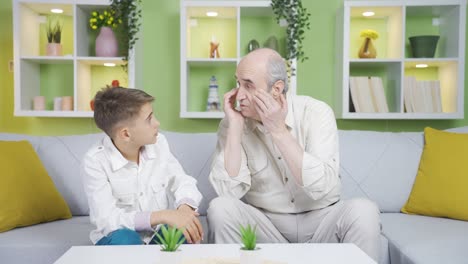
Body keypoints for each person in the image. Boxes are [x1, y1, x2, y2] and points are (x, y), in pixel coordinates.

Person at [207, 48, 381, 261]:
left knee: (365, 211)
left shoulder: (316, 113)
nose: (239, 95)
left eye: (248, 85)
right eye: (238, 84)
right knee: (220, 208)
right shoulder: (234, 121)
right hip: (266, 226)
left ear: (276, 89)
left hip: (322, 220)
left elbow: (323, 187)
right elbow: (228, 193)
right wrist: (234, 126)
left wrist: (278, 130)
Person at [81, 87, 203, 245]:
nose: (157, 123)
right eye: (149, 119)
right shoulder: (94, 161)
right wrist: (162, 215)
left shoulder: (159, 143)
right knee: (126, 238)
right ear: (126, 134)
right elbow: (107, 220)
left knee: (182, 231)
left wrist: (184, 210)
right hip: (119, 239)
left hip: (156, 236)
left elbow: (182, 180)